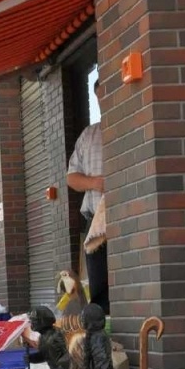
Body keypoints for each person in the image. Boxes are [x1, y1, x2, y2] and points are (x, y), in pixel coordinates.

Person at [65, 74, 109, 314]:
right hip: (96, 224)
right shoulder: (88, 136)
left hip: (127, 217)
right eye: (100, 94)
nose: (104, 98)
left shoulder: (130, 125)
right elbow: (71, 178)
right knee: (100, 285)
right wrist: (95, 182)